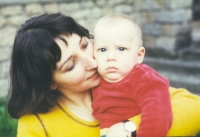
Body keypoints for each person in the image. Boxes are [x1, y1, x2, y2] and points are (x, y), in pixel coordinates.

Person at [7, 12, 200, 137]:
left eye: (85, 45)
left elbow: (193, 106)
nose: (92, 62)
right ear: (49, 82)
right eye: (72, 64)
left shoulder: (118, 79)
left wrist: (128, 129)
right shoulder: (35, 125)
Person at [92, 14, 200, 137]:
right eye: (102, 50)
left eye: (121, 49)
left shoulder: (143, 78)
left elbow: (158, 114)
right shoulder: (94, 79)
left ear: (139, 55)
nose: (110, 57)